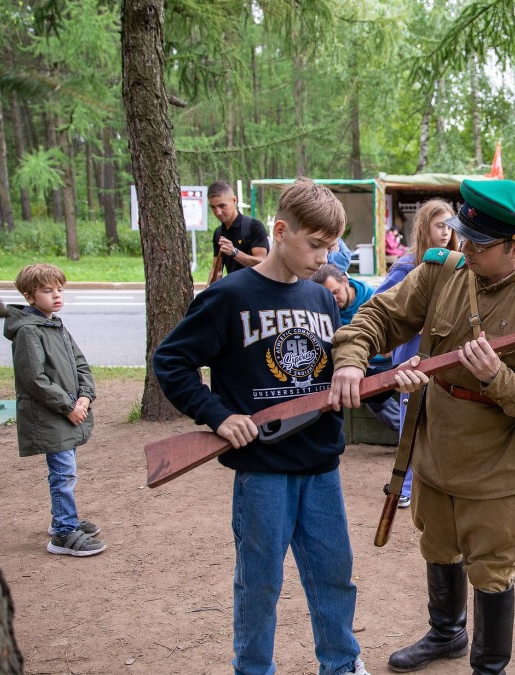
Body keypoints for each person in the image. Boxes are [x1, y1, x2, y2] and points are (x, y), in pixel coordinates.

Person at [328, 179, 515, 675]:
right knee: (437, 544)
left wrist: (499, 379)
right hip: (434, 451)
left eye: (479, 244)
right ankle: (447, 634)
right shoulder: (443, 272)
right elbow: (378, 314)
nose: (463, 247)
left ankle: (488, 667)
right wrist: (351, 360)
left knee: (492, 567)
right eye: (462, 235)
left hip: (494, 468)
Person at [154, 178, 381, 675]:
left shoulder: (322, 298)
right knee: (259, 581)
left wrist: (378, 377)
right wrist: (217, 415)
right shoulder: (229, 296)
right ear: (280, 230)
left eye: (331, 247)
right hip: (263, 470)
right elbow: (170, 362)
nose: (324, 259)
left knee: (334, 575)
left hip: (321, 465)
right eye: (316, 245)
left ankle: (341, 664)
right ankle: (253, 668)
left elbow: (332, 373)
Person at [3, 263, 106, 557]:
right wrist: (68, 406)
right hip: (52, 415)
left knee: (65, 471)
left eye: (59, 289)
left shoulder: (55, 324)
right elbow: (34, 378)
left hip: (68, 412)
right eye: (48, 291)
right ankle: (63, 533)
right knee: (63, 473)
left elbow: (80, 363)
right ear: (30, 296)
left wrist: (85, 397)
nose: (57, 295)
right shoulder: (28, 331)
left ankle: (64, 518)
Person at [374, 198, 458, 509]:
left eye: (450, 226)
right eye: (440, 225)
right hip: (410, 360)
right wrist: (415, 323)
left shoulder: (457, 264)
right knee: (411, 423)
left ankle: (435, 482)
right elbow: (381, 308)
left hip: (443, 359)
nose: (447, 232)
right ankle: (405, 485)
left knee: (441, 422)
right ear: (425, 228)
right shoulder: (407, 267)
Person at [310, 263, 404, 436]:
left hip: (390, 359)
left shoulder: (372, 296)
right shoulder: (326, 311)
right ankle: (404, 431)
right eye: (327, 296)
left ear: (345, 281)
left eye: (335, 292)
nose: (333, 299)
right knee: (361, 384)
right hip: (362, 367)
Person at [209, 180, 270, 275]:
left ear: (234, 200)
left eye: (222, 206)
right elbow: (217, 270)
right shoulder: (218, 233)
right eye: (213, 207)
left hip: (257, 288)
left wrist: (234, 252)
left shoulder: (254, 227)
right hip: (234, 289)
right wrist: (210, 288)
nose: (218, 212)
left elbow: (262, 263)